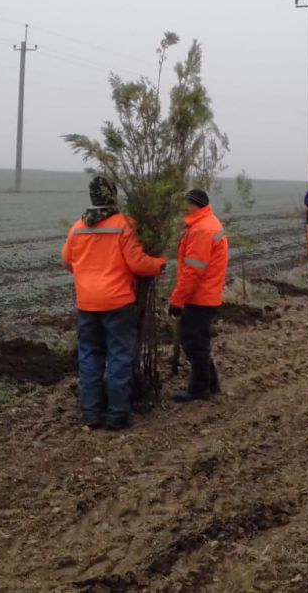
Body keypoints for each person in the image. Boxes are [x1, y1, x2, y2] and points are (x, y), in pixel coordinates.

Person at [61, 176, 165, 430]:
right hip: (118, 303)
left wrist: (87, 276)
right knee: (119, 357)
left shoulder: (78, 226)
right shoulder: (123, 224)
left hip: (87, 304)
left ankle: (91, 413)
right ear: (113, 196)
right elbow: (138, 264)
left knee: (89, 357)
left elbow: (67, 261)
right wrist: (160, 263)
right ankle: (117, 415)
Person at [168, 188, 229, 402]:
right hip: (205, 294)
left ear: (196, 205)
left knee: (194, 342)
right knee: (198, 340)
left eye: (187, 203)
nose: (184, 207)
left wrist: (177, 300)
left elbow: (193, 271)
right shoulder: (206, 224)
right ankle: (211, 384)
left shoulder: (201, 230)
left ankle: (199, 388)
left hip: (200, 297)